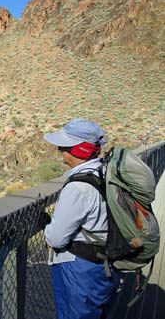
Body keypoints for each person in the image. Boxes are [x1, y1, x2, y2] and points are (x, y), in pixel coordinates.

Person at [43, 118, 120, 319]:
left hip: (80, 270)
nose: (60, 149)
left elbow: (57, 238)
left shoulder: (78, 187)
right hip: (104, 265)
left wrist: (46, 228)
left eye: (64, 145)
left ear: (80, 150)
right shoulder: (105, 172)